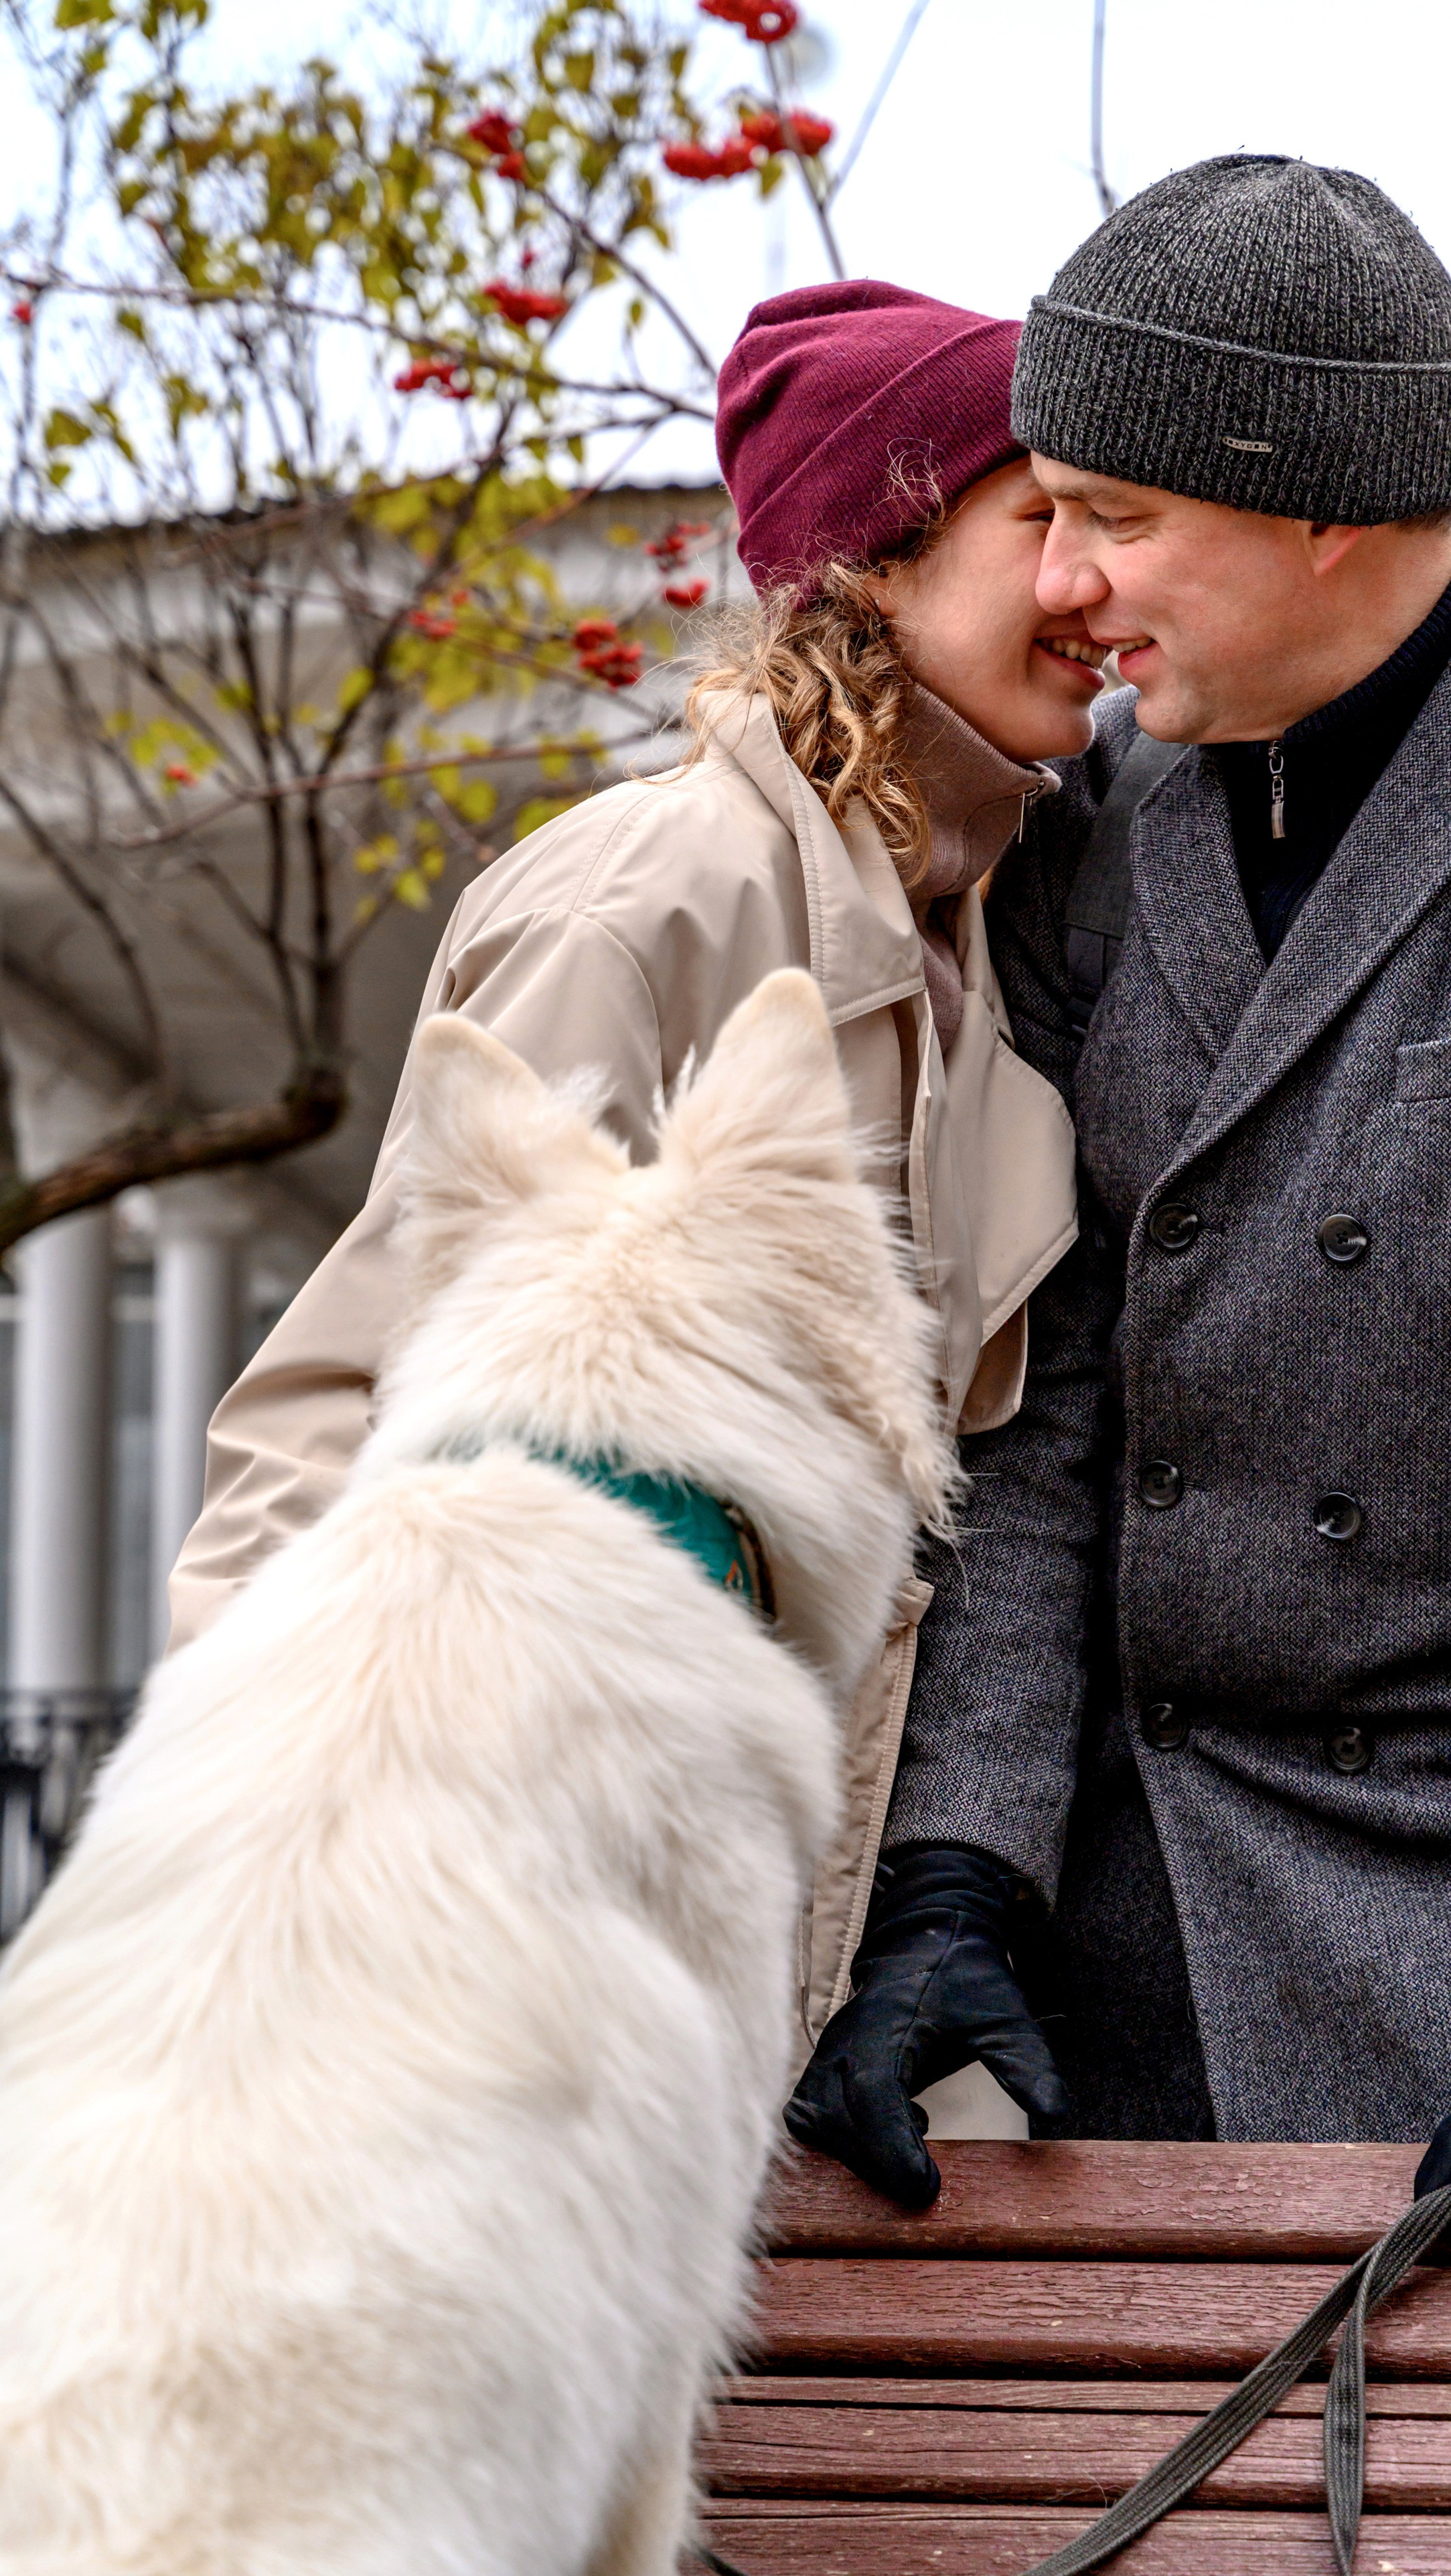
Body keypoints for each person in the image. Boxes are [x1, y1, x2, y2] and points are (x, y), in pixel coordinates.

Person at [785, 155, 1451, 2324]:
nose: (1065, 586)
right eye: (1049, 512)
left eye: (1115, 516)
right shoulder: (1100, 831)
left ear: (1325, 513)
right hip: (1136, 1999)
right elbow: (1047, 1402)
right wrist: (959, 1871)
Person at [165, 277, 1106, 2049]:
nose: (1092, 581)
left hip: (775, 1951)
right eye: (1039, 518)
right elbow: (353, 1400)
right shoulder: (648, 902)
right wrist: (258, 1894)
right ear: (878, 564)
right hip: (519, 1943)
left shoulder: (984, 929)